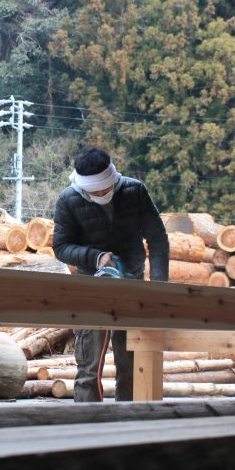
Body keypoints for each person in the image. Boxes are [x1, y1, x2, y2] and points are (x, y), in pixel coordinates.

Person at [52, 146, 169, 402]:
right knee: (88, 365)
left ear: (113, 177)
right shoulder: (69, 200)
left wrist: (160, 288)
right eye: (96, 192)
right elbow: (60, 247)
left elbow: (158, 239)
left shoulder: (134, 191)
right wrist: (95, 257)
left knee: (131, 364)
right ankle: (87, 425)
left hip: (132, 285)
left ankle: (129, 427)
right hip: (89, 288)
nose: (102, 194)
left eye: (106, 189)